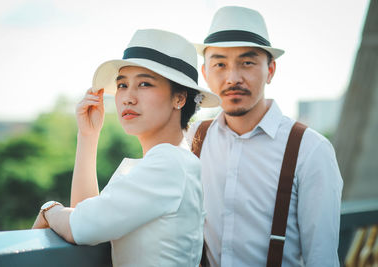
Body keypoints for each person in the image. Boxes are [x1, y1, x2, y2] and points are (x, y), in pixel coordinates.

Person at [32, 28, 220, 266]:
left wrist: (49, 209)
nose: (128, 97)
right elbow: (87, 215)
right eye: (122, 85)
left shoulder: (168, 163)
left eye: (144, 84)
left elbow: (82, 226)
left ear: (179, 98)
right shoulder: (163, 163)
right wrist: (88, 136)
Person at [186, 6, 343, 267]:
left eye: (247, 63)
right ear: (205, 73)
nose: (232, 78)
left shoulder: (310, 150)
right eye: (220, 64)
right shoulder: (192, 140)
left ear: (270, 70)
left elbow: (322, 258)